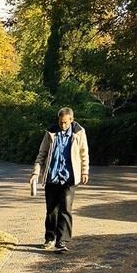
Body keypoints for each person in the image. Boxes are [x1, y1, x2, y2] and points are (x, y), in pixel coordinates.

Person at [30, 107, 89, 253]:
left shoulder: (79, 133)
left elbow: (84, 153)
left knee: (66, 210)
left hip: (69, 177)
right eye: (60, 122)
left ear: (71, 120)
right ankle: (50, 238)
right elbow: (42, 154)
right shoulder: (50, 132)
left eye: (65, 122)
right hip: (52, 176)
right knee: (51, 211)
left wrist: (84, 171)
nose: (62, 125)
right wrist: (35, 173)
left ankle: (62, 241)